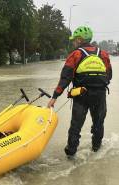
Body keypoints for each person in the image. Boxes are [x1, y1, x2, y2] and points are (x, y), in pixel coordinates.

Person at [47, 26, 112, 156]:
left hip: (81, 95)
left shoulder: (75, 54)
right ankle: (96, 150)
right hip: (100, 95)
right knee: (98, 124)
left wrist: (54, 97)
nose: (73, 42)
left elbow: (65, 78)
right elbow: (109, 76)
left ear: (80, 40)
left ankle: (71, 154)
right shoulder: (103, 54)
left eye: (74, 40)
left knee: (76, 127)